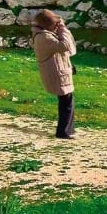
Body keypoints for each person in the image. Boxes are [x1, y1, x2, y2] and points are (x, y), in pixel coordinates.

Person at [31, 10, 77, 139]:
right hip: (57, 74)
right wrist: (63, 28)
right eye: (54, 24)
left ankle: (67, 130)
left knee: (67, 101)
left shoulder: (43, 34)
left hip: (58, 72)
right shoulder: (44, 37)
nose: (57, 25)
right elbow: (66, 45)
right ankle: (64, 132)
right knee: (66, 102)